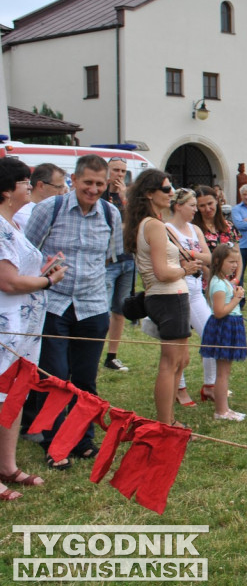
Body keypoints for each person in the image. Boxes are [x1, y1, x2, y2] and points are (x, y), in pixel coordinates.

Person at [25, 154, 123, 468]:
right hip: (53, 305)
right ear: (74, 180)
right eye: (87, 183)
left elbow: (111, 257)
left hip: (93, 308)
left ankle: (83, 441)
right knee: (54, 379)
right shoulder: (48, 209)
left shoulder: (110, 215)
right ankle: (55, 446)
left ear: (106, 183)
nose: (93, 189)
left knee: (85, 379)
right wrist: (45, 271)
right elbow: (27, 251)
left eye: (99, 184)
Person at [0, 157, 66, 496]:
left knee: (14, 394)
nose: (30, 185)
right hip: (5, 329)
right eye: (25, 181)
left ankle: (7, 466)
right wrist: (46, 281)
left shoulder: (11, 224)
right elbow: (8, 282)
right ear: (8, 189)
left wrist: (44, 270)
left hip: (24, 327)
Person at [123, 169, 202, 426]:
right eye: (166, 189)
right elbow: (162, 273)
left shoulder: (149, 222)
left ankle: (168, 419)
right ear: (149, 194)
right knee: (170, 364)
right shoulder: (154, 225)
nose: (171, 193)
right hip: (168, 296)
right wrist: (185, 269)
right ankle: (166, 422)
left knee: (181, 361)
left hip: (170, 296)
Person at [165, 188, 212, 408]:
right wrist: (192, 259)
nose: (196, 209)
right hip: (176, 289)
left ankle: (210, 386)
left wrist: (190, 255)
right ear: (178, 206)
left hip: (195, 288)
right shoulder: (166, 228)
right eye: (192, 205)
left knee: (212, 335)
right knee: (178, 343)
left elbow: (208, 257)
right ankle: (179, 388)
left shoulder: (195, 229)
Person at [192, 185, 238, 401]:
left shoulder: (227, 226)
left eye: (210, 204)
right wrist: (209, 268)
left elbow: (237, 254)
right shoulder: (194, 228)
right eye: (201, 206)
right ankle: (210, 383)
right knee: (209, 334)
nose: (207, 209)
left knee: (218, 335)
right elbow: (194, 257)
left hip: (226, 286)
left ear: (217, 202)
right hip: (202, 286)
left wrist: (236, 279)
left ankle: (211, 384)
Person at [199, 243, 247, 421]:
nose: (235, 265)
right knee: (222, 373)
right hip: (224, 325)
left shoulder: (224, 281)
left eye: (236, 262)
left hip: (231, 324)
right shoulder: (219, 284)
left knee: (225, 372)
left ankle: (225, 408)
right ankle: (221, 411)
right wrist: (236, 299)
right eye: (231, 262)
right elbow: (219, 312)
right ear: (219, 261)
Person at [99, 157, 135, 373]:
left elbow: (135, 221)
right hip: (106, 261)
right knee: (101, 310)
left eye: (123, 171)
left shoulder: (127, 197)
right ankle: (93, 350)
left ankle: (112, 356)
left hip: (128, 259)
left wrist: (124, 198)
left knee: (119, 309)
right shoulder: (100, 194)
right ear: (107, 171)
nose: (119, 175)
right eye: (115, 170)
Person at [13, 163, 65, 229]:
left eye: (63, 187)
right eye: (58, 187)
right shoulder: (23, 214)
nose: (62, 192)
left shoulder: (54, 210)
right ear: (41, 185)